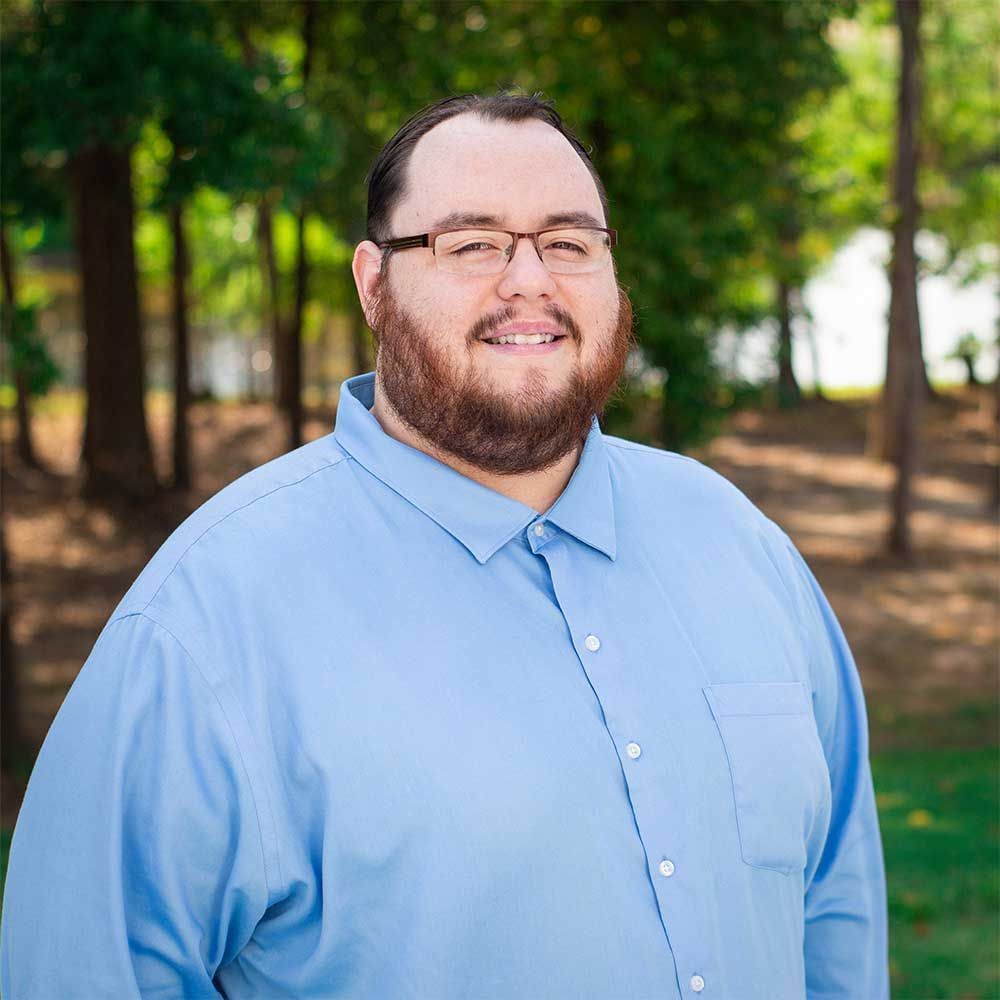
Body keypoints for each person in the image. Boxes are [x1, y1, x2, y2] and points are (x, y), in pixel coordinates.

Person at [1, 93, 888, 999]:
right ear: (373, 284)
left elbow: (835, 907)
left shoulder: (742, 545)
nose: (530, 280)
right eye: (472, 244)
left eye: (570, 243)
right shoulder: (206, 619)